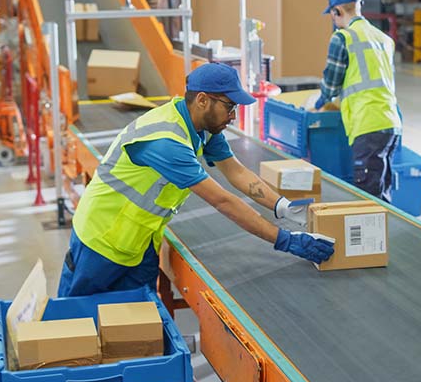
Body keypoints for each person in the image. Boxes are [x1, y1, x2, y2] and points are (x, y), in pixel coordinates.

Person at [58, 63, 335, 297]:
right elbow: (222, 201)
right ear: (203, 100)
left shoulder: (203, 127)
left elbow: (235, 171)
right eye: (229, 106)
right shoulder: (166, 141)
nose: (233, 115)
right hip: (101, 242)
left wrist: (283, 206)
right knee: (78, 322)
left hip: (141, 241)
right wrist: (285, 240)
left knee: (137, 328)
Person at [305, 0, 402, 201]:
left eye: (332, 14)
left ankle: (377, 235)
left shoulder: (343, 38)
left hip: (367, 124)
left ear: (337, 11)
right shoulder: (383, 39)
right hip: (391, 123)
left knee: (368, 197)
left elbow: (331, 84)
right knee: (381, 193)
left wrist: (318, 103)